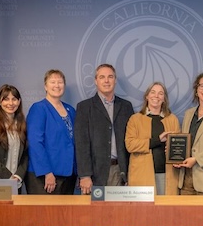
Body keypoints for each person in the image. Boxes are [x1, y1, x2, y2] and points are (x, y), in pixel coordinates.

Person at [75, 64, 134, 194]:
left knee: (120, 213)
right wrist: (85, 175)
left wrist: (131, 173)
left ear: (115, 80)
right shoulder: (84, 107)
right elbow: (81, 144)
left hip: (121, 171)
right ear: (96, 81)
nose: (106, 81)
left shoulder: (126, 107)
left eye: (110, 77)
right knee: (95, 214)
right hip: (95, 173)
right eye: (102, 77)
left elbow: (131, 141)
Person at [26, 69, 77, 194]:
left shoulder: (70, 110)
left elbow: (75, 142)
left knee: (65, 213)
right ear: (45, 86)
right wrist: (46, 172)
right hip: (45, 176)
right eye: (52, 82)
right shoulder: (38, 108)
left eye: (60, 82)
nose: (57, 85)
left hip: (68, 175)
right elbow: (35, 143)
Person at [125, 82, 181, 195]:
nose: (156, 96)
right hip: (142, 175)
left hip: (167, 175)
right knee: (144, 212)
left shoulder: (172, 119)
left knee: (166, 211)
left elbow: (178, 146)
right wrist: (157, 140)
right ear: (147, 96)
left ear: (164, 99)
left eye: (160, 93)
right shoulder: (135, 119)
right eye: (153, 92)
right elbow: (130, 145)